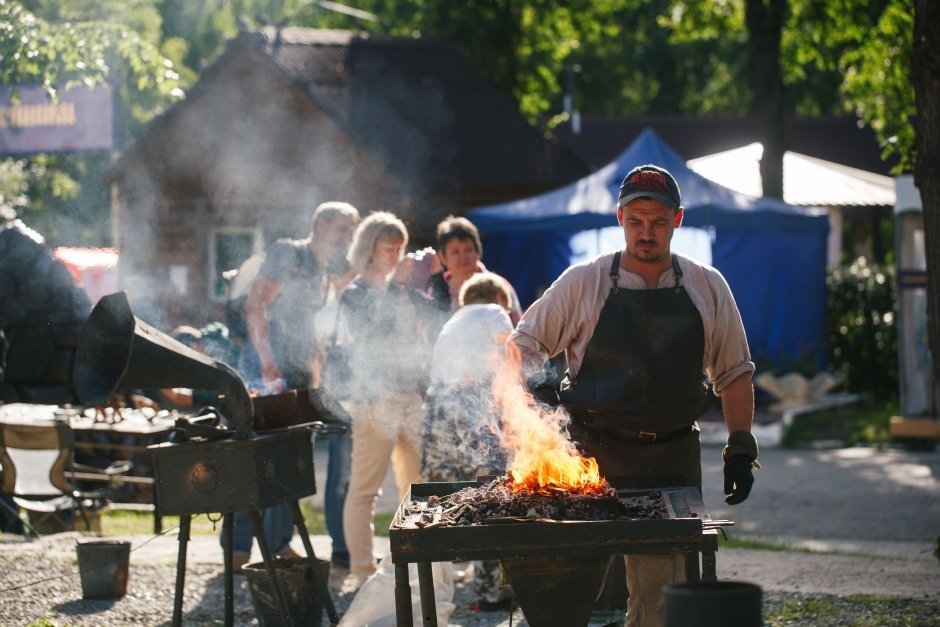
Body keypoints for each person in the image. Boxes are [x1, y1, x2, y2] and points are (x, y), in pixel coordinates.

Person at [508, 164, 759, 627]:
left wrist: (740, 444)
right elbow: (521, 347)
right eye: (637, 221)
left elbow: (734, 372)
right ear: (620, 217)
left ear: (678, 220)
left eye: (659, 222)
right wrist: (533, 399)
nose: (647, 232)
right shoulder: (584, 281)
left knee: (663, 605)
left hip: (671, 461)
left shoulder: (708, 286)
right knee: (564, 599)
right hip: (589, 460)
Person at [239, 200, 360, 571]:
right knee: (253, 459)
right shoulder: (287, 253)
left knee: (290, 462)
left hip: (299, 374)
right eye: (343, 228)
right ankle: (238, 550)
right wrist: (267, 365)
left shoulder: (325, 269)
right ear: (321, 225)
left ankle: (278, 546)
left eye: (352, 230)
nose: (348, 237)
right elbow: (255, 305)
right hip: (268, 370)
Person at [325, 212, 434, 590]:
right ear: (370, 249)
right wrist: (401, 285)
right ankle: (361, 569)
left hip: (409, 396)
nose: (396, 256)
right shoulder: (355, 294)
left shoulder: (402, 289)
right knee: (365, 488)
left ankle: (418, 560)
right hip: (374, 399)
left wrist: (422, 281)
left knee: (418, 485)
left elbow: (424, 330)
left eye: (400, 249)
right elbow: (373, 338)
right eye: (390, 249)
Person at [421, 272, 514, 610]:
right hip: (471, 408)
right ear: (498, 298)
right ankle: (491, 592)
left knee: (437, 501)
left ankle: (428, 591)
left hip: (436, 413)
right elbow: (510, 354)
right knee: (489, 494)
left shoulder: (454, 320)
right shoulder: (493, 311)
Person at [426, 216, 523, 325]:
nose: (463, 257)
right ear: (442, 257)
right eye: (455, 252)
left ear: (478, 251)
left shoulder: (499, 287)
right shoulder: (437, 290)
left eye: (468, 250)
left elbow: (518, 331)